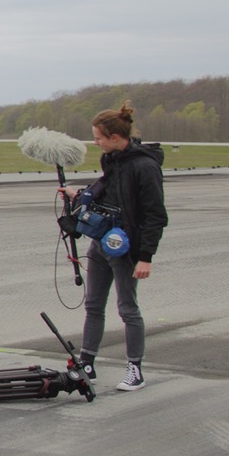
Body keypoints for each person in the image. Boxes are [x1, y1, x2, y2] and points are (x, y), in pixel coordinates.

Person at [75, 102, 168, 392]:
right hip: (100, 243)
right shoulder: (111, 160)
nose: (95, 142)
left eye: (99, 137)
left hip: (126, 249)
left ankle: (134, 369)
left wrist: (145, 258)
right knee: (93, 305)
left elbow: (156, 216)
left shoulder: (145, 167)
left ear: (116, 137)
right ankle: (86, 363)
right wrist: (79, 195)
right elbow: (108, 191)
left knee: (127, 308)